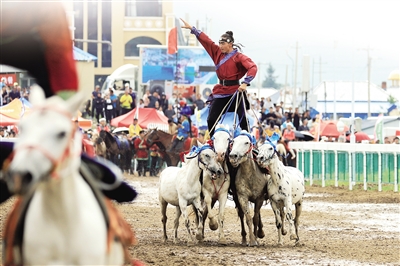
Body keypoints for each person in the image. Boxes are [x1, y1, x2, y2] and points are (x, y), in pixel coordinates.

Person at [181, 18, 257, 137]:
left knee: (243, 120)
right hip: (221, 91)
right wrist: (193, 29)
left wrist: (245, 83)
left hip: (236, 91)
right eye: (220, 43)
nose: (220, 46)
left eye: (223, 43)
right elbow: (207, 41)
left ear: (230, 44)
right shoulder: (217, 52)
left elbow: (252, 67)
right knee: (211, 119)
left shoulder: (239, 57)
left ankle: (248, 143)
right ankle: (213, 142)